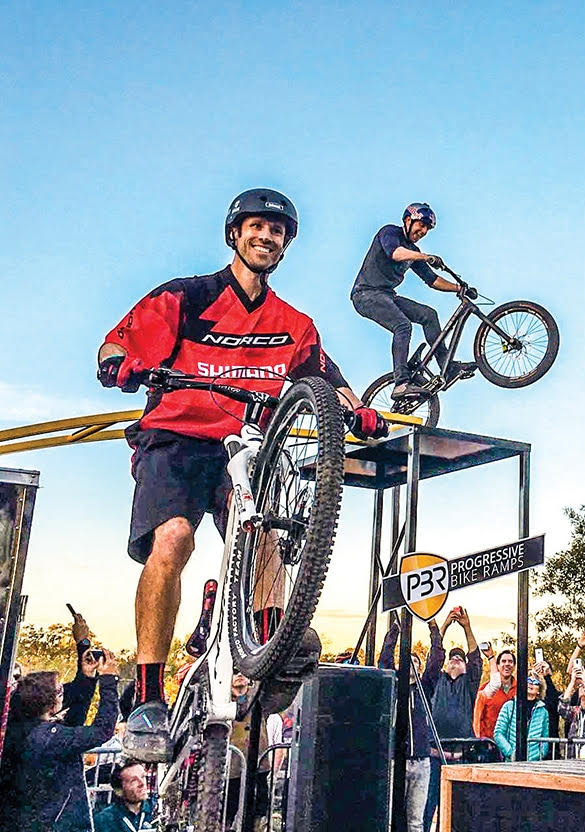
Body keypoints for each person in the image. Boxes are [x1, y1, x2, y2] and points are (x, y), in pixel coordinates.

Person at [97, 188, 387, 761]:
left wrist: (360, 410)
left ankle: (271, 645)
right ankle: (149, 694)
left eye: (277, 232)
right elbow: (120, 339)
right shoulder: (187, 296)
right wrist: (118, 362)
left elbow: (323, 375)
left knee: (268, 535)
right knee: (174, 538)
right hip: (176, 439)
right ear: (235, 234)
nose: (266, 237)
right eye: (256, 227)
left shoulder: (292, 323)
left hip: (244, 446)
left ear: (285, 246)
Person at [350, 202, 475, 399]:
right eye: (421, 225)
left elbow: (432, 280)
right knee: (403, 326)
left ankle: (447, 366)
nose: (423, 231)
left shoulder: (413, 250)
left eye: (427, 228)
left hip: (387, 295)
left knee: (429, 315)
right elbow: (395, 253)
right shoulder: (390, 233)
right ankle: (401, 384)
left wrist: (459, 288)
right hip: (366, 294)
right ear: (408, 220)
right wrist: (425, 256)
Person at [0, 650, 121, 832]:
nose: (64, 692)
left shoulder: (27, 730)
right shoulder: (48, 738)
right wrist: (109, 682)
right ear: (49, 702)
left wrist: (88, 678)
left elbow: (74, 724)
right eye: (59, 691)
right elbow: (101, 731)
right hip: (56, 824)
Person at [378, 618, 438, 832]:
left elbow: (436, 659)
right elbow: (384, 659)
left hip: (421, 761)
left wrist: (433, 627)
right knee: (390, 817)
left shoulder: (425, 687)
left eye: (416, 661)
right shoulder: (393, 684)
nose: (412, 663)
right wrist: (395, 629)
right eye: (408, 659)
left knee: (416, 821)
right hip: (396, 760)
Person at [425, 605, 482, 831]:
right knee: (427, 810)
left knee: (455, 816)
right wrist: (445, 624)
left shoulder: (469, 685)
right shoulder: (434, 681)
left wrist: (467, 627)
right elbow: (435, 654)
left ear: (466, 666)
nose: (455, 660)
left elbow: (476, 657)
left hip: (459, 758)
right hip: (433, 758)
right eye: (452, 658)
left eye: (460, 658)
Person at [493, 674, 551, 761]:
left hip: (534, 763)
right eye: (528, 681)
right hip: (512, 762)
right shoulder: (509, 706)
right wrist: (510, 753)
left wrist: (541, 754)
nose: (531, 684)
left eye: (535, 682)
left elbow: (545, 737)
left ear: (539, 690)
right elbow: (498, 733)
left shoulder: (543, 712)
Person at [92, 761, 155, 832]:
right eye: (133, 780)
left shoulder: (157, 810)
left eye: (143, 777)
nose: (142, 783)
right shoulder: (104, 820)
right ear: (119, 791)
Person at [476, 648, 517, 740]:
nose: (507, 664)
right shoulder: (485, 689)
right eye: (503, 661)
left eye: (510, 662)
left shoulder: (521, 689)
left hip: (513, 743)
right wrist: (482, 739)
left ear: (514, 666)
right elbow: (478, 717)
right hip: (490, 742)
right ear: (498, 666)